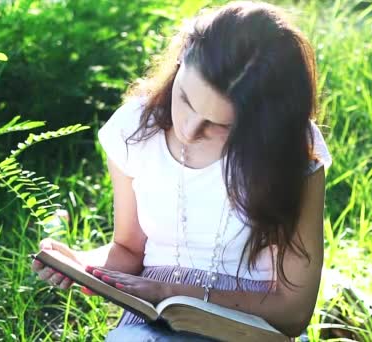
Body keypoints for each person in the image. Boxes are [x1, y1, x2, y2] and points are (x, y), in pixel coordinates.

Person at [32, 1, 331, 341]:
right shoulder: (135, 128)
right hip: (152, 321)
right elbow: (129, 250)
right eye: (186, 99)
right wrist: (81, 265)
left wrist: (174, 293)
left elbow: (293, 312)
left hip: (248, 324)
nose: (188, 129)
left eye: (217, 125)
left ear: (262, 125)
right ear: (182, 55)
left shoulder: (292, 150)